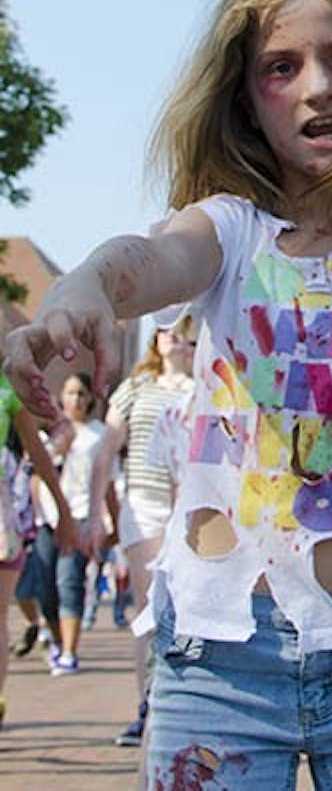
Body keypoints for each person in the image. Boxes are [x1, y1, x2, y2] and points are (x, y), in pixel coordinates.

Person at [3, 0, 332, 788]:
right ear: (245, 99)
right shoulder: (230, 231)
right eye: (281, 67)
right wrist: (84, 283)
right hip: (217, 661)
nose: (318, 86)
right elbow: (152, 254)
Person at [88, 319, 195, 747]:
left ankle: (183, 703)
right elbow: (107, 447)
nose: (172, 336)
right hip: (145, 506)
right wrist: (97, 512)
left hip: (192, 507)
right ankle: (148, 703)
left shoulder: (204, 384)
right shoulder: (137, 386)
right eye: (165, 329)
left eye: (180, 329)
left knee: (189, 609)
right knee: (152, 604)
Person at [0, 367, 74, 724]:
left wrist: (63, 509)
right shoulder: (6, 388)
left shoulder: (8, 389)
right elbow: (39, 451)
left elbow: (40, 452)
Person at [33, 373, 106, 676]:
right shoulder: (53, 432)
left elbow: (107, 482)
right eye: (69, 393)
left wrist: (102, 523)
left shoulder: (99, 434)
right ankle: (57, 639)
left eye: (81, 393)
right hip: (48, 518)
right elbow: (35, 474)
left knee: (68, 582)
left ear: (89, 398)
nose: (75, 399)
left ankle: (69, 652)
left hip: (79, 516)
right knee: (44, 588)